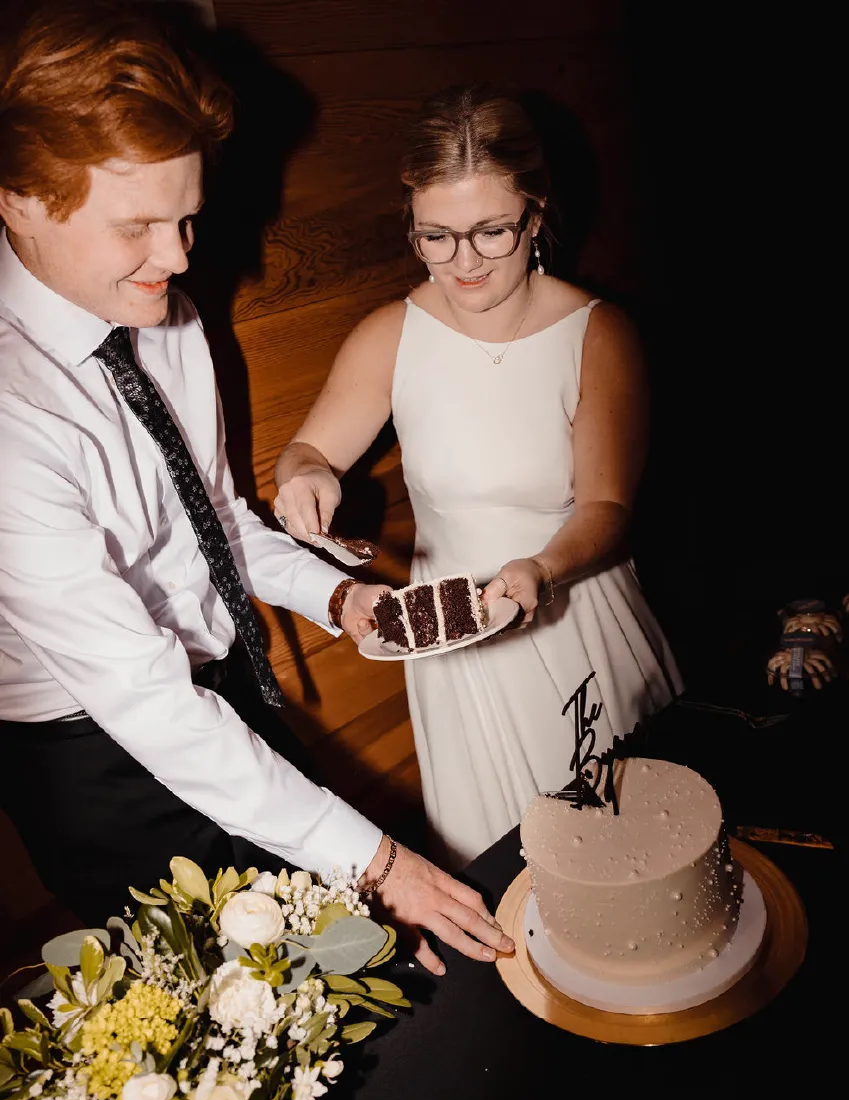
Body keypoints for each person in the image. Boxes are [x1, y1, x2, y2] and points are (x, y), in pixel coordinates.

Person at [0, 1, 513, 976]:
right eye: (140, 226)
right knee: (246, 1006)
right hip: (94, 761)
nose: (181, 256)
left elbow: (214, 525)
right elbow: (142, 701)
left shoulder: (170, 316)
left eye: (187, 215)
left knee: (356, 964)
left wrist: (336, 595)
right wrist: (378, 860)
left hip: (219, 691)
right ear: (18, 196)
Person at [275, 84, 684, 868]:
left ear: (534, 213)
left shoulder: (597, 333)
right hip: (454, 646)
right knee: (500, 868)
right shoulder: (390, 334)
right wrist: (303, 475)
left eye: (491, 231)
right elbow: (307, 452)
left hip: (571, 616)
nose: (462, 262)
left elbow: (605, 504)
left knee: (628, 860)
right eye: (436, 237)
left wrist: (540, 568)